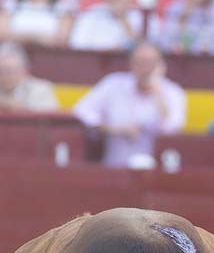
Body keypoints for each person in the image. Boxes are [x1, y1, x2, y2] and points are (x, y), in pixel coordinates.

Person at [73, 40, 188, 168]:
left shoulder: (173, 92)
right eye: (140, 62)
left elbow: (172, 127)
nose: (145, 69)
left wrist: (157, 93)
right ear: (131, 64)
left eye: (150, 63)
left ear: (161, 65)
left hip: (156, 173)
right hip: (114, 169)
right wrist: (115, 129)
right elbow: (81, 111)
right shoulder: (113, 84)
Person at [0, 42, 60, 112]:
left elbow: (52, 118)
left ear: (25, 71)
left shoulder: (41, 88)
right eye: (0, 71)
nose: (5, 77)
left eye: (11, 72)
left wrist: (23, 109)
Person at [69, 0, 150, 52]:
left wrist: (123, 17)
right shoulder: (90, 16)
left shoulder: (144, 17)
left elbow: (145, 51)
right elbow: (77, 47)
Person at [0, 0, 75, 48]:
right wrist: (37, 38)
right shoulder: (10, 4)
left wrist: (18, 37)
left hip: (51, 58)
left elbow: (62, 40)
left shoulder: (64, 6)